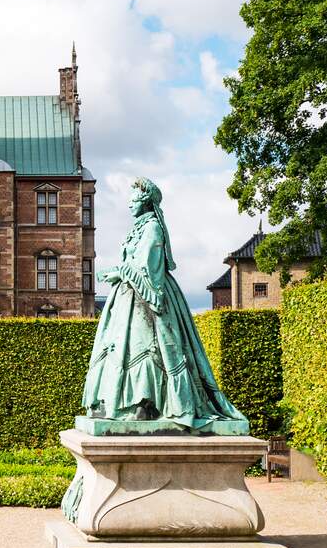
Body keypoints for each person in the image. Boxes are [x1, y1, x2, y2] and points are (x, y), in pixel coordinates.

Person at [81, 177, 247, 431]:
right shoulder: (140, 228)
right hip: (129, 299)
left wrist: (121, 272)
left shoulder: (152, 229)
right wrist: (119, 271)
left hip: (148, 299)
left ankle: (146, 404)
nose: (128, 204)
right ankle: (125, 404)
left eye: (133, 199)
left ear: (145, 201)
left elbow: (149, 270)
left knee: (148, 347)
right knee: (122, 347)